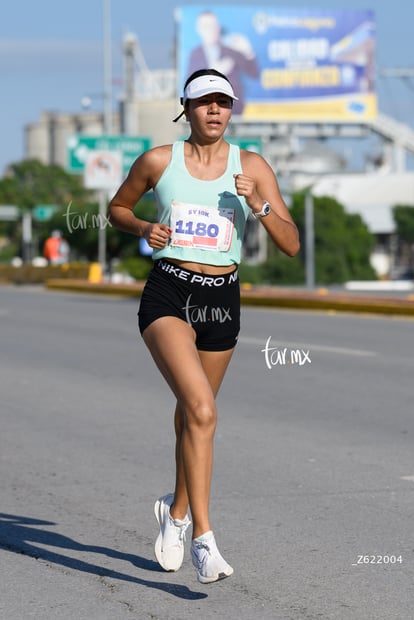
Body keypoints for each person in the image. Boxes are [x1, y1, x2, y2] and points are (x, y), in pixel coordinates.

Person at [108, 68, 300, 584]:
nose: (214, 111)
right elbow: (116, 208)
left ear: (232, 110)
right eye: (204, 102)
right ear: (186, 109)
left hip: (222, 300)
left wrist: (257, 204)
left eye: (223, 102)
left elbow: (291, 243)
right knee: (202, 408)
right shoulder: (158, 161)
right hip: (170, 290)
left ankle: (174, 511)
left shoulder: (252, 166)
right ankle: (203, 539)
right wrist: (145, 226)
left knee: (195, 417)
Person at [187, 11, 259, 115]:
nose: (211, 30)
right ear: (199, 29)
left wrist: (248, 51)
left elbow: (254, 73)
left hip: (234, 111)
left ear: (218, 27)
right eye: (206, 26)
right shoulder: (195, 54)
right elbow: (189, 84)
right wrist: (213, 71)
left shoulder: (231, 50)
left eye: (213, 25)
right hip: (206, 112)